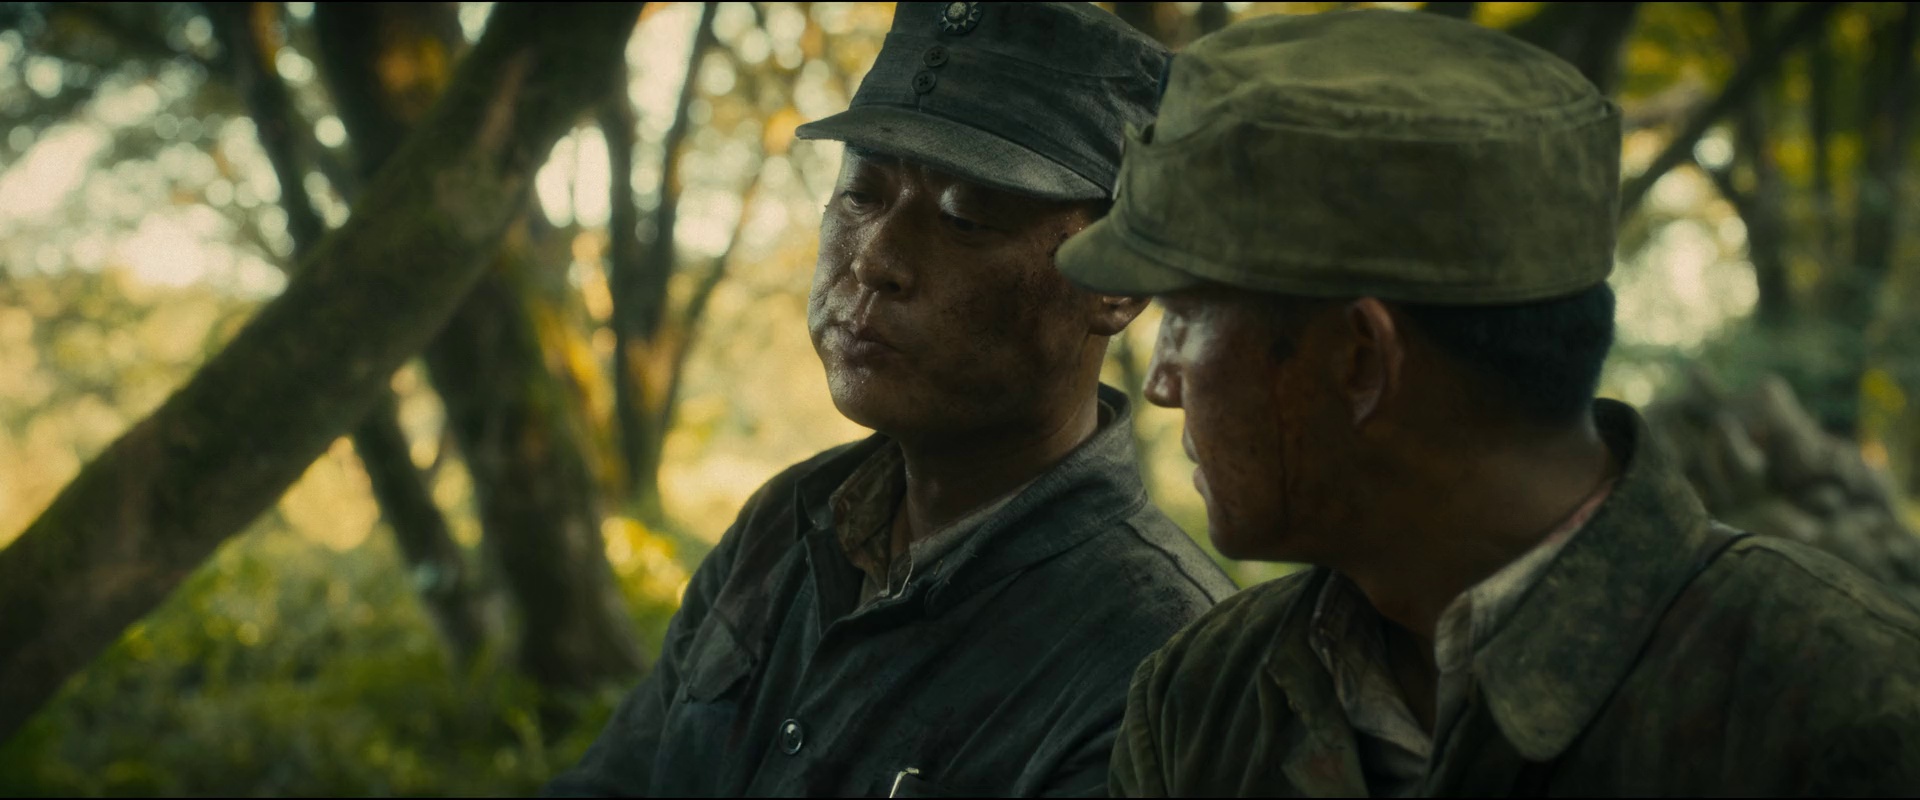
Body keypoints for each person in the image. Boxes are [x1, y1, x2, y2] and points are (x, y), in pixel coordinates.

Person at [1055, 9, 1920, 797]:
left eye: (1188, 317)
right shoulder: (1203, 699)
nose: (1161, 381)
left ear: (1361, 359)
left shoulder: (1846, 714)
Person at [544, 3, 1236, 797]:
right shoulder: (789, 524)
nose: (876, 260)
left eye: (964, 218)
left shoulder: (1164, 666)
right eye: (861, 195)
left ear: (1115, 285)